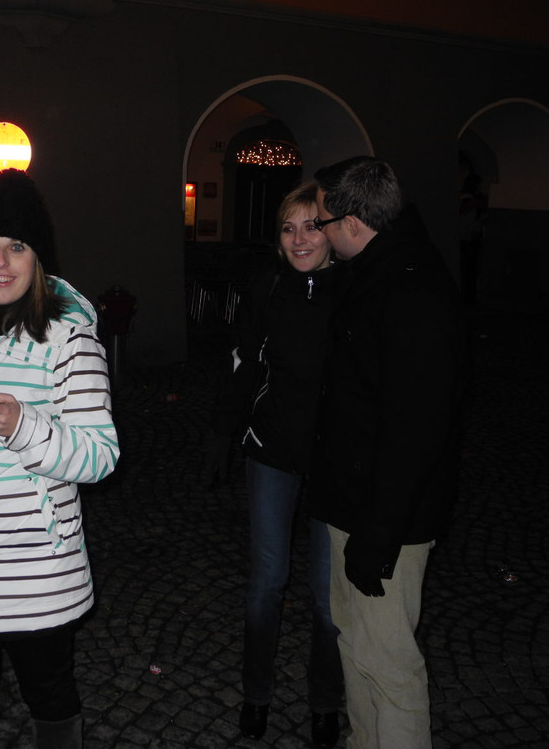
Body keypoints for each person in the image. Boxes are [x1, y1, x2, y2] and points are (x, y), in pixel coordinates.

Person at [0, 168, 119, 749]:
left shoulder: (68, 339)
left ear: (38, 258)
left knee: (51, 696)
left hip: (36, 569)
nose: (1, 262)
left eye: (17, 246)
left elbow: (100, 455)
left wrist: (25, 428)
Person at [309, 157, 464, 749]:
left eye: (323, 223)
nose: (320, 234)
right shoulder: (376, 272)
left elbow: (416, 431)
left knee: (390, 662)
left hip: (387, 518)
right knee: (357, 644)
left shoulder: (411, 289)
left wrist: (379, 535)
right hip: (357, 502)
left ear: (353, 223)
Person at [205, 182, 345, 747]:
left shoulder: (355, 290)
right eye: (289, 228)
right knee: (267, 581)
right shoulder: (267, 287)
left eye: (312, 226)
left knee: (327, 595)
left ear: (332, 232)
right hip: (271, 449)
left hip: (334, 459)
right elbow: (244, 363)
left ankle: (325, 702)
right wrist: (223, 429)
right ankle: (256, 694)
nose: (300, 239)